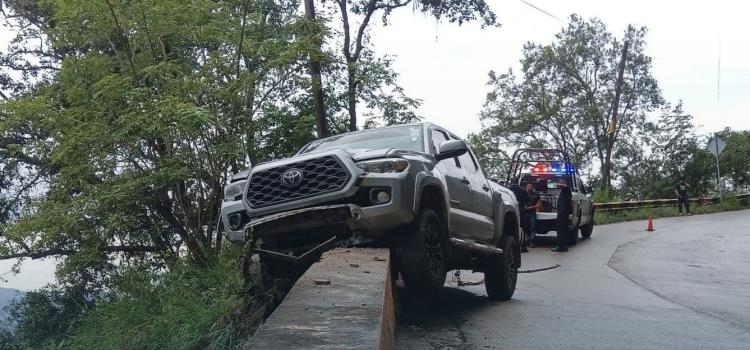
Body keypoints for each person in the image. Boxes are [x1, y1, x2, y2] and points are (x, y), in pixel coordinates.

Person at [552, 178, 573, 252]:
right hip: (562, 212)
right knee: (563, 229)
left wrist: (562, 210)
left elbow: (564, 186)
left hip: (563, 213)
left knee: (561, 229)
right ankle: (564, 246)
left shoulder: (566, 190)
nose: (559, 184)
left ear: (564, 183)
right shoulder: (564, 191)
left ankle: (561, 246)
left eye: (560, 183)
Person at [509, 183, 529, 252]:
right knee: (522, 228)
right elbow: (527, 200)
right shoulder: (523, 190)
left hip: (511, 210)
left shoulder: (508, 189)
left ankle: (513, 245)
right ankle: (523, 246)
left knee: (512, 227)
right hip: (521, 210)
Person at [525, 183, 542, 248]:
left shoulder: (536, 195)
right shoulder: (523, 194)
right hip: (524, 213)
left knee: (533, 227)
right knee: (525, 228)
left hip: (532, 213)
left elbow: (539, 204)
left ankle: (532, 242)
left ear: (533, 187)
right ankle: (525, 241)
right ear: (526, 187)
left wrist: (532, 207)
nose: (529, 187)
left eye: (531, 186)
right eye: (528, 186)